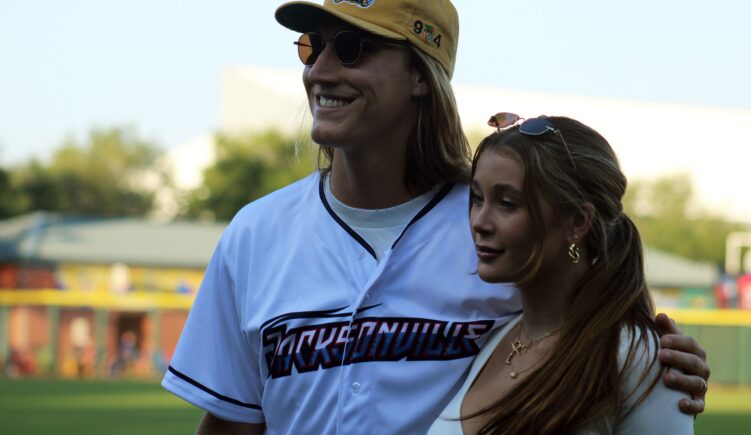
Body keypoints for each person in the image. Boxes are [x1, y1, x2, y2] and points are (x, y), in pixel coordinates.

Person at [161, 1, 710, 434]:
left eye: (352, 49)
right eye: (312, 46)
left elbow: (601, 327)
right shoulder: (255, 233)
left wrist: (659, 363)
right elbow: (232, 422)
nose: (320, 71)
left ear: (420, 74)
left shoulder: (498, 233)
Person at [427, 114, 694, 434]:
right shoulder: (492, 337)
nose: (479, 222)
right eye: (477, 199)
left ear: (578, 221)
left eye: (507, 203)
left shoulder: (633, 356)